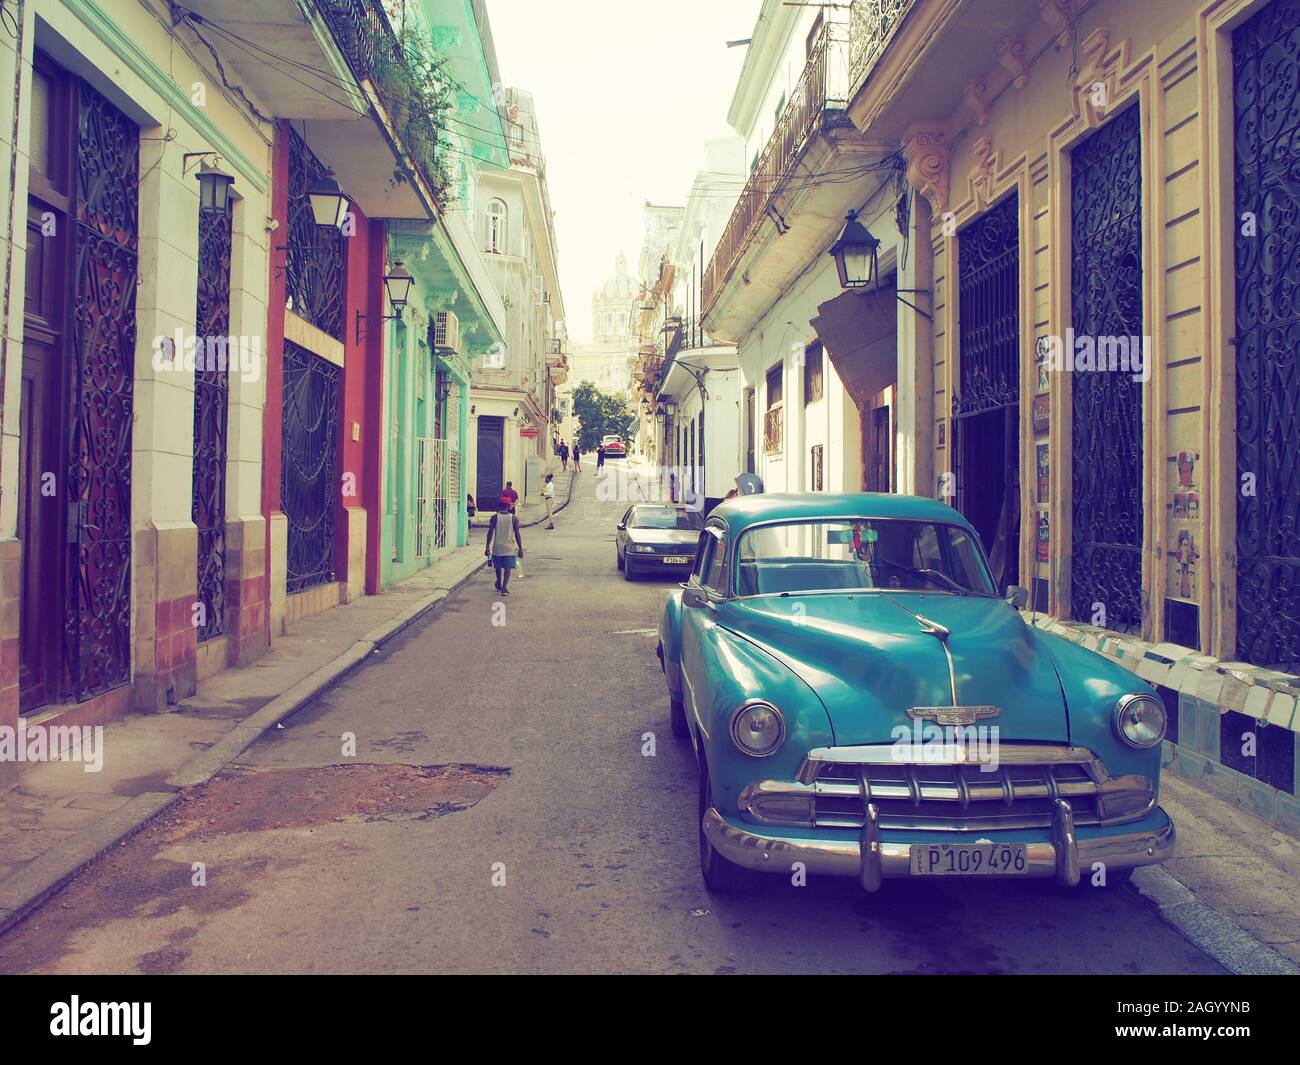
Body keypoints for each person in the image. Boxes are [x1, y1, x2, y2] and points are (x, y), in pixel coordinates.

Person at [485, 500, 523, 595]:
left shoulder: (494, 518)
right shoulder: (514, 519)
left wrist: (487, 546)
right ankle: (504, 588)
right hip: (509, 547)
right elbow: (517, 534)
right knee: (507, 568)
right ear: (509, 506)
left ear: (499, 506)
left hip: (497, 547)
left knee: (498, 567)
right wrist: (520, 548)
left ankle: (499, 582)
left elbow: (490, 532)